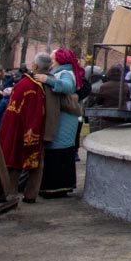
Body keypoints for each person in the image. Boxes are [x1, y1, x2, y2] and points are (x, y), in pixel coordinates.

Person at [0, 56, 47, 203]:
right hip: (25, 129)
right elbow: (33, 112)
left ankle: (11, 192)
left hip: (16, 128)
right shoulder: (32, 86)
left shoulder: (26, 84)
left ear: (35, 66)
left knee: (14, 162)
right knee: (21, 162)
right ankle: (24, 194)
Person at [39, 48, 84, 198]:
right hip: (62, 118)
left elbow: (67, 86)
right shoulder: (64, 71)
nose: (51, 61)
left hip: (64, 119)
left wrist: (48, 80)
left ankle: (56, 187)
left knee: (59, 151)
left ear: (60, 59)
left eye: (53, 59)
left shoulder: (65, 73)